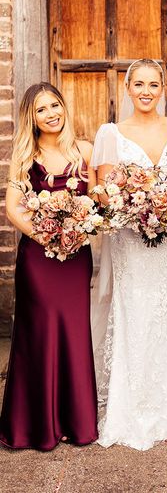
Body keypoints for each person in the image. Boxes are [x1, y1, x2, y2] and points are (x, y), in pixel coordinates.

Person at [91, 59, 167, 450]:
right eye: (139, 84)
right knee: (134, 313)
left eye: (154, 84)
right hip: (131, 240)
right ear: (128, 88)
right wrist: (134, 207)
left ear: (163, 87)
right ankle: (128, 409)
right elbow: (103, 190)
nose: (147, 91)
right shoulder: (112, 133)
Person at [0, 82, 98, 451]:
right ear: (32, 117)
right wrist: (48, 237)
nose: (51, 114)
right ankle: (36, 425)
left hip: (76, 259)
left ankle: (75, 421)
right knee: (38, 334)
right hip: (39, 259)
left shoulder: (84, 151)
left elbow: (99, 201)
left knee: (73, 331)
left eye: (55, 105)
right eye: (42, 109)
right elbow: (13, 208)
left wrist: (80, 224)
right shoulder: (26, 156)